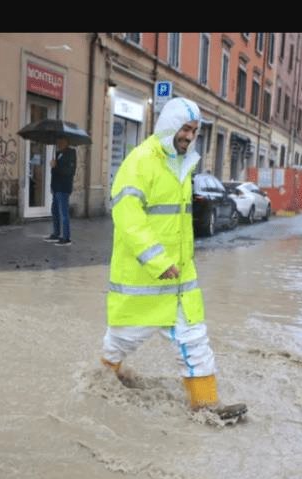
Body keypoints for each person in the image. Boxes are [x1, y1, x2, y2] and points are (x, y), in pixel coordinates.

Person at [99, 97, 246, 423]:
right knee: (119, 343)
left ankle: (206, 408)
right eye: (185, 128)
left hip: (179, 281)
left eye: (194, 130)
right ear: (169, 125)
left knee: (195, 340)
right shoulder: (139, 162)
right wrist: (158, 261)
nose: (189, 136)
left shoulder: (182, 164)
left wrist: (174, 265)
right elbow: (127, 217)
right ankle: (98, 385)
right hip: (143, 282)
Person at [43, 135, 76, 246]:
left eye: (61, 141)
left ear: (66, 142)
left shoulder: (71, 153)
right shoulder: (57, 154)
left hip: (64, 188)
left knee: (64, 213)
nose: (59, 143)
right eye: (57, 141)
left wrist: (56, 166)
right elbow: (54, 174)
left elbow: (69, 171)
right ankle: (56, 234)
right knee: (55, 211)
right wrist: (52, 186)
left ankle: (66, 238)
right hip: (56, 188)